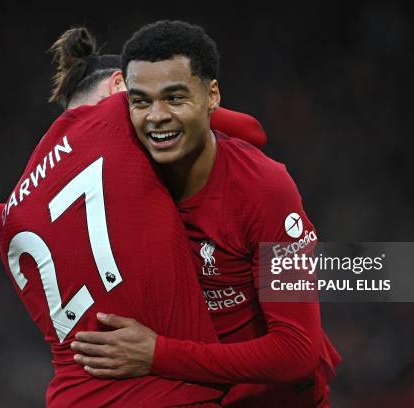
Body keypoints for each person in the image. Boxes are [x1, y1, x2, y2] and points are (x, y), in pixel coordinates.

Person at [0, 27, 232, 407]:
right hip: (163, 394)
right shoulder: (119, 118)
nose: (155, 112)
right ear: (119, 87)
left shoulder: (19, 205)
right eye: (143, 97)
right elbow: (237, 127)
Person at [66, 21, 341, 407]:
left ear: (212, 94)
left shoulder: (264, 190)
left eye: (174, 98)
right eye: (141, 101)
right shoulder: (123, 176)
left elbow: (296, 350)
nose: (155, 116)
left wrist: (156, 354)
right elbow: (43, 221)